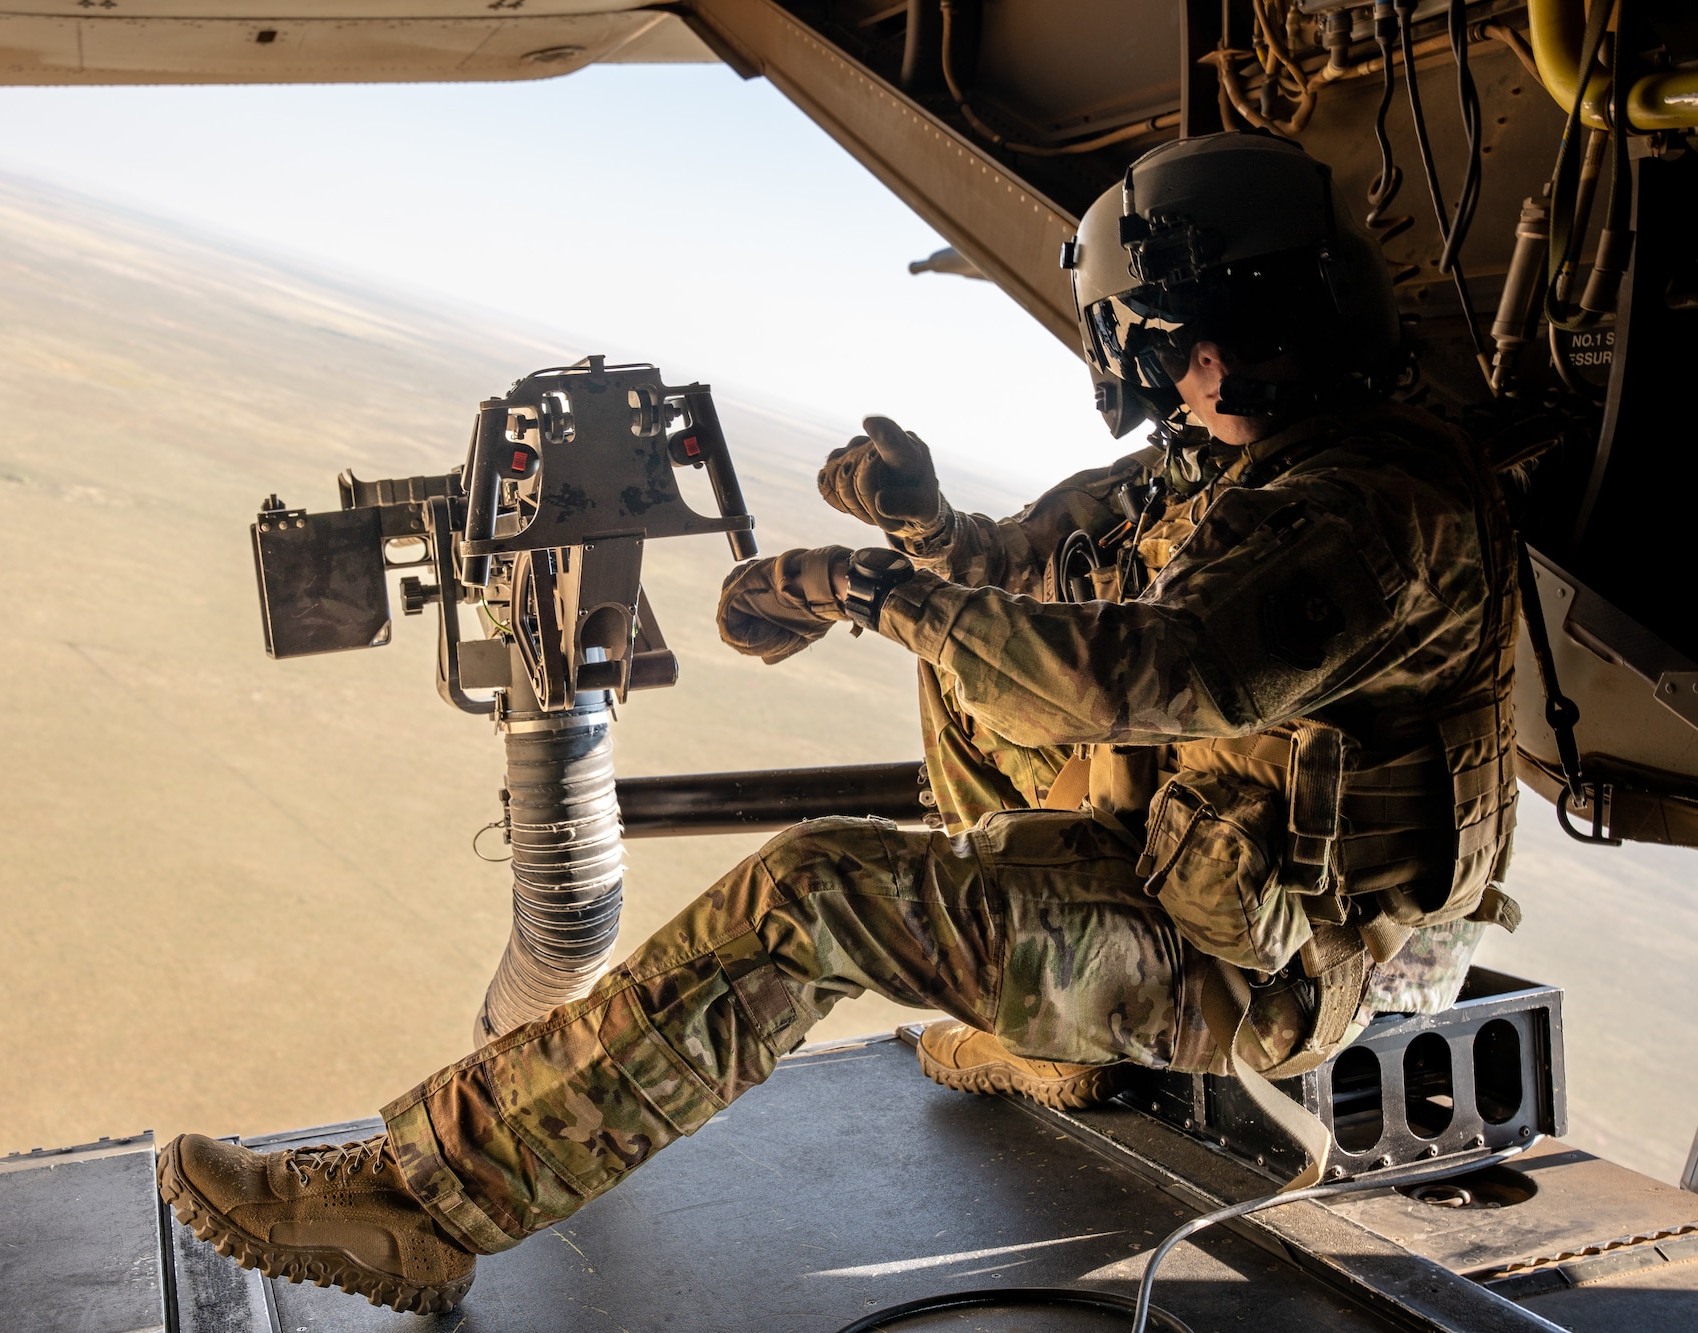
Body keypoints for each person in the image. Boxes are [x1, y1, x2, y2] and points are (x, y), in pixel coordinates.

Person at [154, 132, 1521, 1315]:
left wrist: (869, 589)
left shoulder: (1376, 512)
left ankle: (422, 1203)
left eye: (1162, 343)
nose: (1158, 375)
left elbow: (1144, 671)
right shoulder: (1236, 461)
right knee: (960, 661)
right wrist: (921, 531)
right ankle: (1063, 1031)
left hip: (1267, 974)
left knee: (811, 891)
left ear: (1206, 339)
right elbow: (1032, 578)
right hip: (1186, 879)